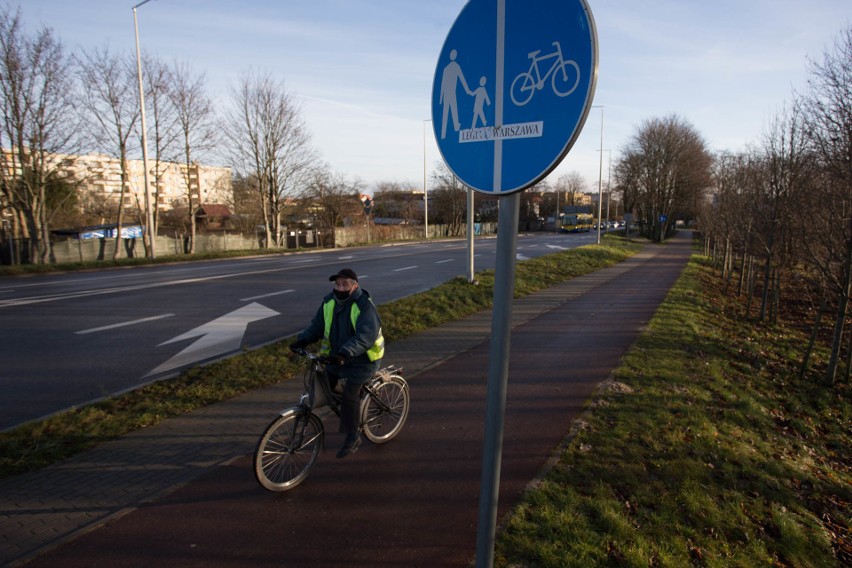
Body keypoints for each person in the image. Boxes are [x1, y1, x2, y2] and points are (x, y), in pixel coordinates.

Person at [289, 268, 384, 458]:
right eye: (337, 284)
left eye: (345, 284)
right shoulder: (329, 302)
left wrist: (345, 352)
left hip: (364, 360)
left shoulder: (364, 306)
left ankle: (353, 435)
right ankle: (352, 407)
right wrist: (302, 340)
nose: (340, 288)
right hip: (338, 358)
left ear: (355, 286)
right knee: (326, 384)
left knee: (350, 394)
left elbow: (365, 337)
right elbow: (316, 326)